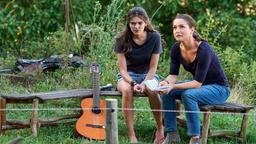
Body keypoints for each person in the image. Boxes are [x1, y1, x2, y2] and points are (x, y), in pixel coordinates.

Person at [159, 14, 230, 144]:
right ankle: (172, 134)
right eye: (175, 27)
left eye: (182, 27)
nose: (177, 30)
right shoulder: (176, 48)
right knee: (167, 93)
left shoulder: (204, 49)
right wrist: (166, 83)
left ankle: (195, 138)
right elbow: (173, 75)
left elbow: (197, 84)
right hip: (201, 87)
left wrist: (173, 86)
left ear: (192, 29)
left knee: (189, 94)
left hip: (219, 89)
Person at [114, 7, 164, 144]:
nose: (136, 27)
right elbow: (123, 70)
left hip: (148, 74)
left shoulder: (154, 37)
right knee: (126, 90)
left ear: (146, 23)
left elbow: (153, 67)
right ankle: (132, 135)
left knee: (152, 89)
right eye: (133, 23)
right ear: (128, 24)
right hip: (128, 76)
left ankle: (160, 129)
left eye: (139, 23)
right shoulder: (121, 39)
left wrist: (144, 83)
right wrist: (133, 83)